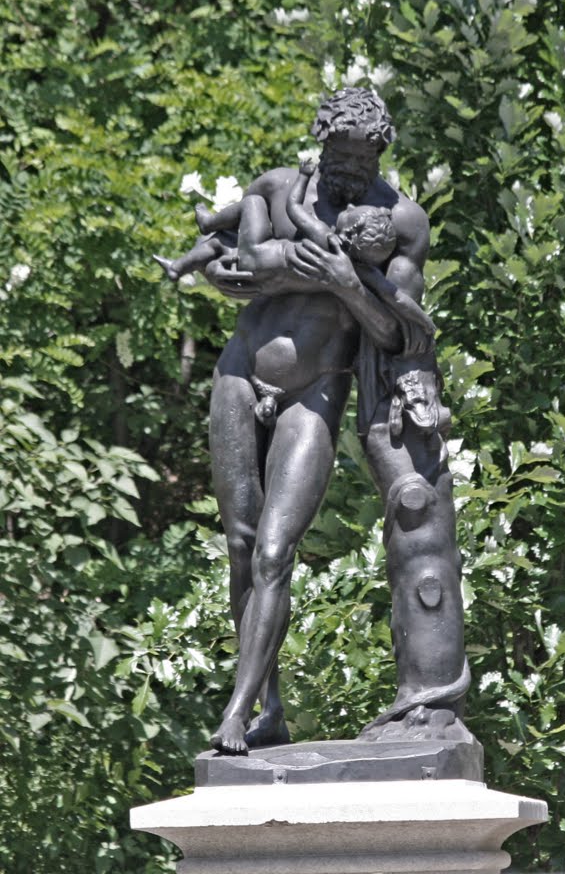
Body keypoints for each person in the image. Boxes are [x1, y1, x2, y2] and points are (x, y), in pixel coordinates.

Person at [201, 87, 467, 754]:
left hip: (316, 391)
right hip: (239, 373)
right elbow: (220, 255)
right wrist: (230, 271)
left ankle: (233, 714)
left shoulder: (399, 222)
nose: (346, 172)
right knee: (239, 545)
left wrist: (343, 282)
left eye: (359, 160)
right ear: (319, 140)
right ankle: (267, 709)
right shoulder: (281, 187)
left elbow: (398, 332)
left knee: (272, 549)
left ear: (380, 151)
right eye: (335, 156)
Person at [153, 162, 397, 284]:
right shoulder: (349, 264)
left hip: (258, 255)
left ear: (351, 231)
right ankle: (177, 267)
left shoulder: (324, 234)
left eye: (351, 212)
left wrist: (303, 177)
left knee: (254, 202)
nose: (350, 206)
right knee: (218, 246)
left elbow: (293, 208)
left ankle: (209, 222)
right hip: (265, 268)